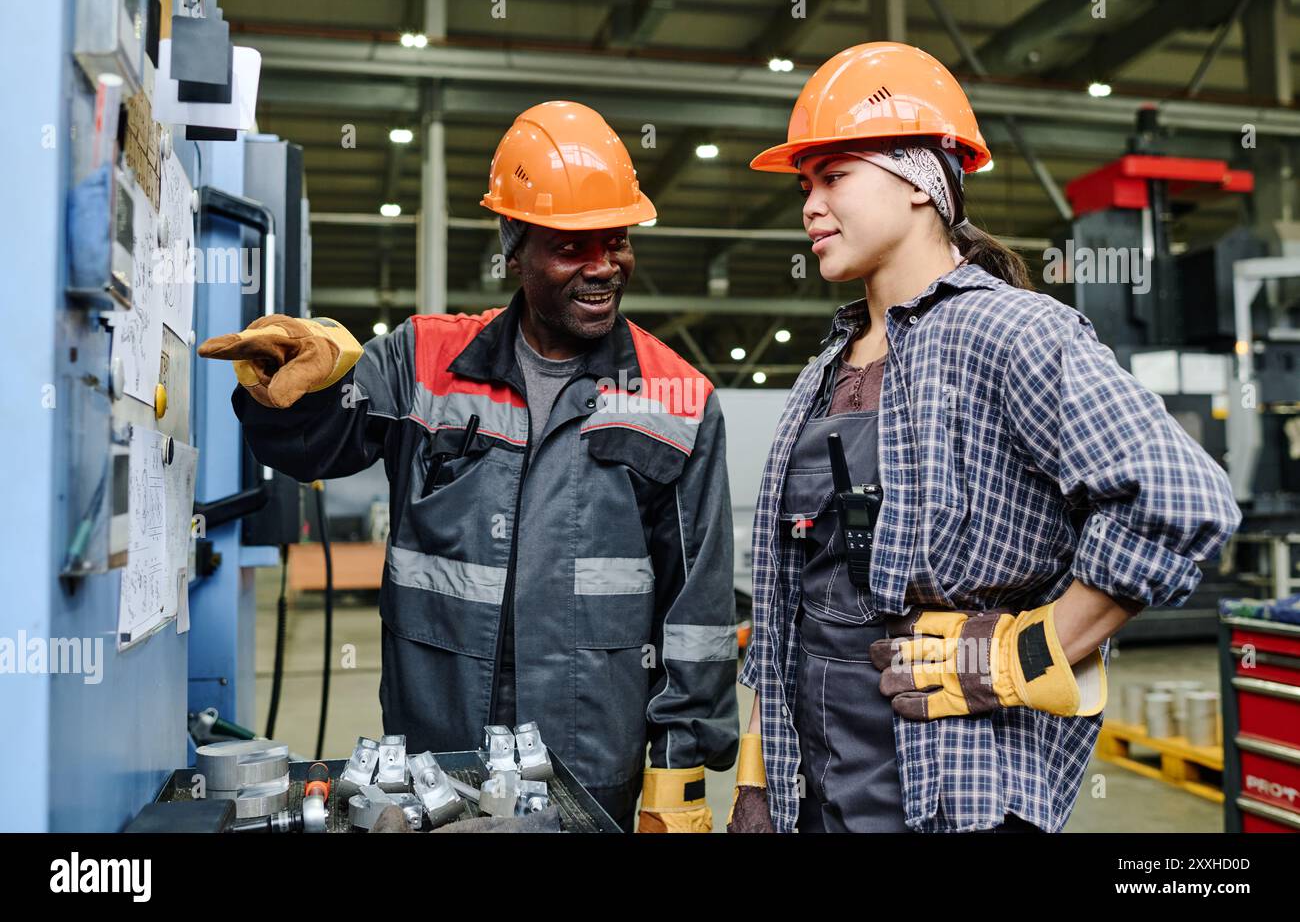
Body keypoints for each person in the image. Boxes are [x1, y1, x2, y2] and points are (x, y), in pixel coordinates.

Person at [726, 42, 1241, 834]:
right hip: (819, 790)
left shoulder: (1012, 334)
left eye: (835, 177)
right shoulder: (822, 371)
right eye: (806, 184)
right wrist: (758, 778)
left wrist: (1025, 654)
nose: (810, 206)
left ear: (921, 184)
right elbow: (788, 597)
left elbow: (1181, 501)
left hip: (951, 791)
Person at [199, 101, 739, 833]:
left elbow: (698, 615)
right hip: (435, 764)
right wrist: (288, 387)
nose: (604, 265)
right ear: (514, 248)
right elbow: (312, 446)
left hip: (591, 770)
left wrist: (676, 781)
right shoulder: (424, 362)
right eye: (573, 246)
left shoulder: (678, 398)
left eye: (616, 240)